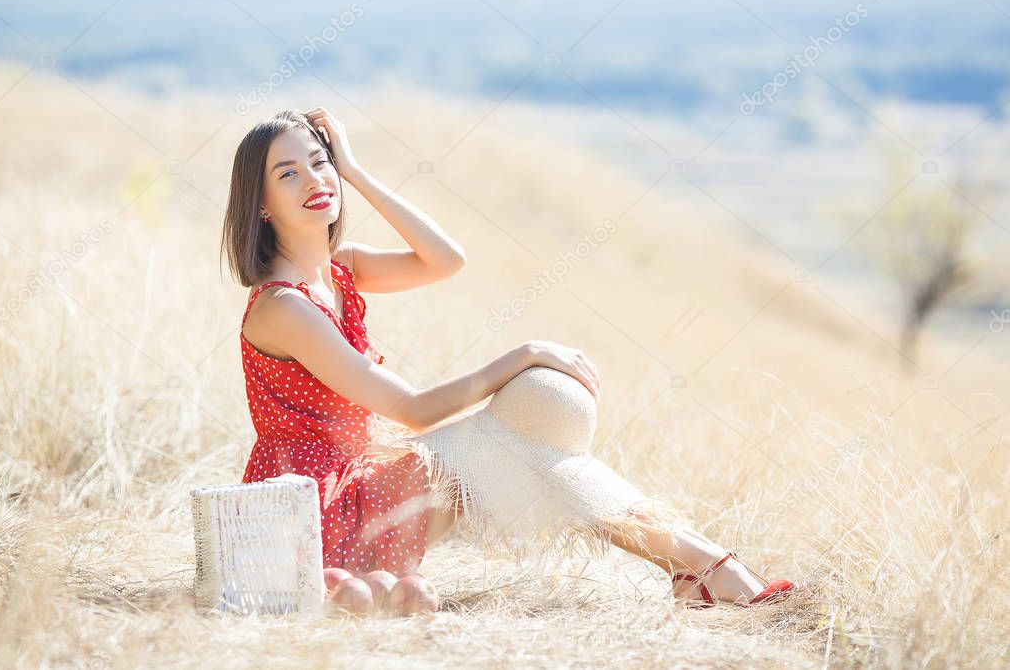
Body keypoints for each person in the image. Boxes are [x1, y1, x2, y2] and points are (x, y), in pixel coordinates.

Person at [220, 107, 795, 614]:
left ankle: (700, 567)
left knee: (527, 434)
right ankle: (708, 567)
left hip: (366, 490)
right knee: (502, 435)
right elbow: (414, 411)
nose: (313, 180)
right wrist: (525, 353)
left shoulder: (340, 267)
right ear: (262, 205)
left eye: (320, 162)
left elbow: (444, 259)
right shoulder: (283, 307)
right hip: (313, 517)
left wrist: (357, 172)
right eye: (287, 173)